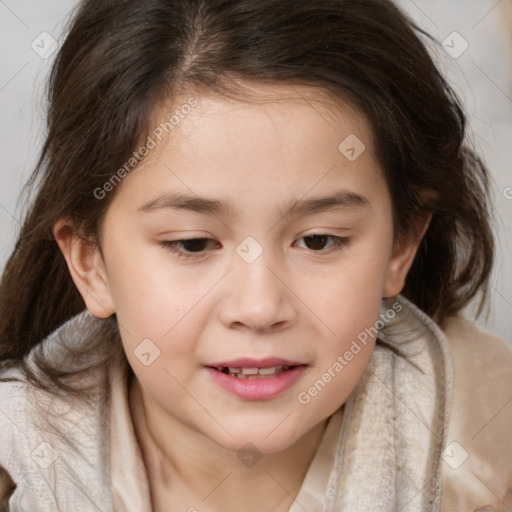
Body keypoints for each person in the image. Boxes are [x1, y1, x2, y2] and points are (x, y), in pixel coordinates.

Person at [0, 0, 511, 510]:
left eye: (318, 240)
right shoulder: (16, 471)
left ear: (401, 245)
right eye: (193, 244)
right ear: (91, 263)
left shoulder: (492, 455)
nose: (260, 307)